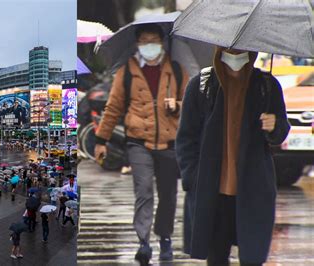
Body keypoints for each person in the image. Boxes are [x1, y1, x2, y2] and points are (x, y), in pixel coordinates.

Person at [176, 47, 290, 266]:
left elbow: (281, 131)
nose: (235, 53)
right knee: (217, 257)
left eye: (241, 48)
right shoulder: (202, 85)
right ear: (220, 50)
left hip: (253, 191)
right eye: (230, 48)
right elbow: (186, 139)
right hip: (213, 192)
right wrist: (192, 178)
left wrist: (274, 125)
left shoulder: (266, 85)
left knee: (253, 257)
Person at [94, 24, 189, 264]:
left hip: (169, 143)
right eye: (145, 41)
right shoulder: (126, 72)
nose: (150, 45)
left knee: (168, 195)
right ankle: (144, 242)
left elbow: (192, 104)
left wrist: (177, 106)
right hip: (138, 143)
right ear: (137, 44)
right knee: (144, 191)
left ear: (162, 42)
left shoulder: (177, 71)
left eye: (154, 40)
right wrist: (101, 141)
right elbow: (113, 107)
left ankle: (165, 238)